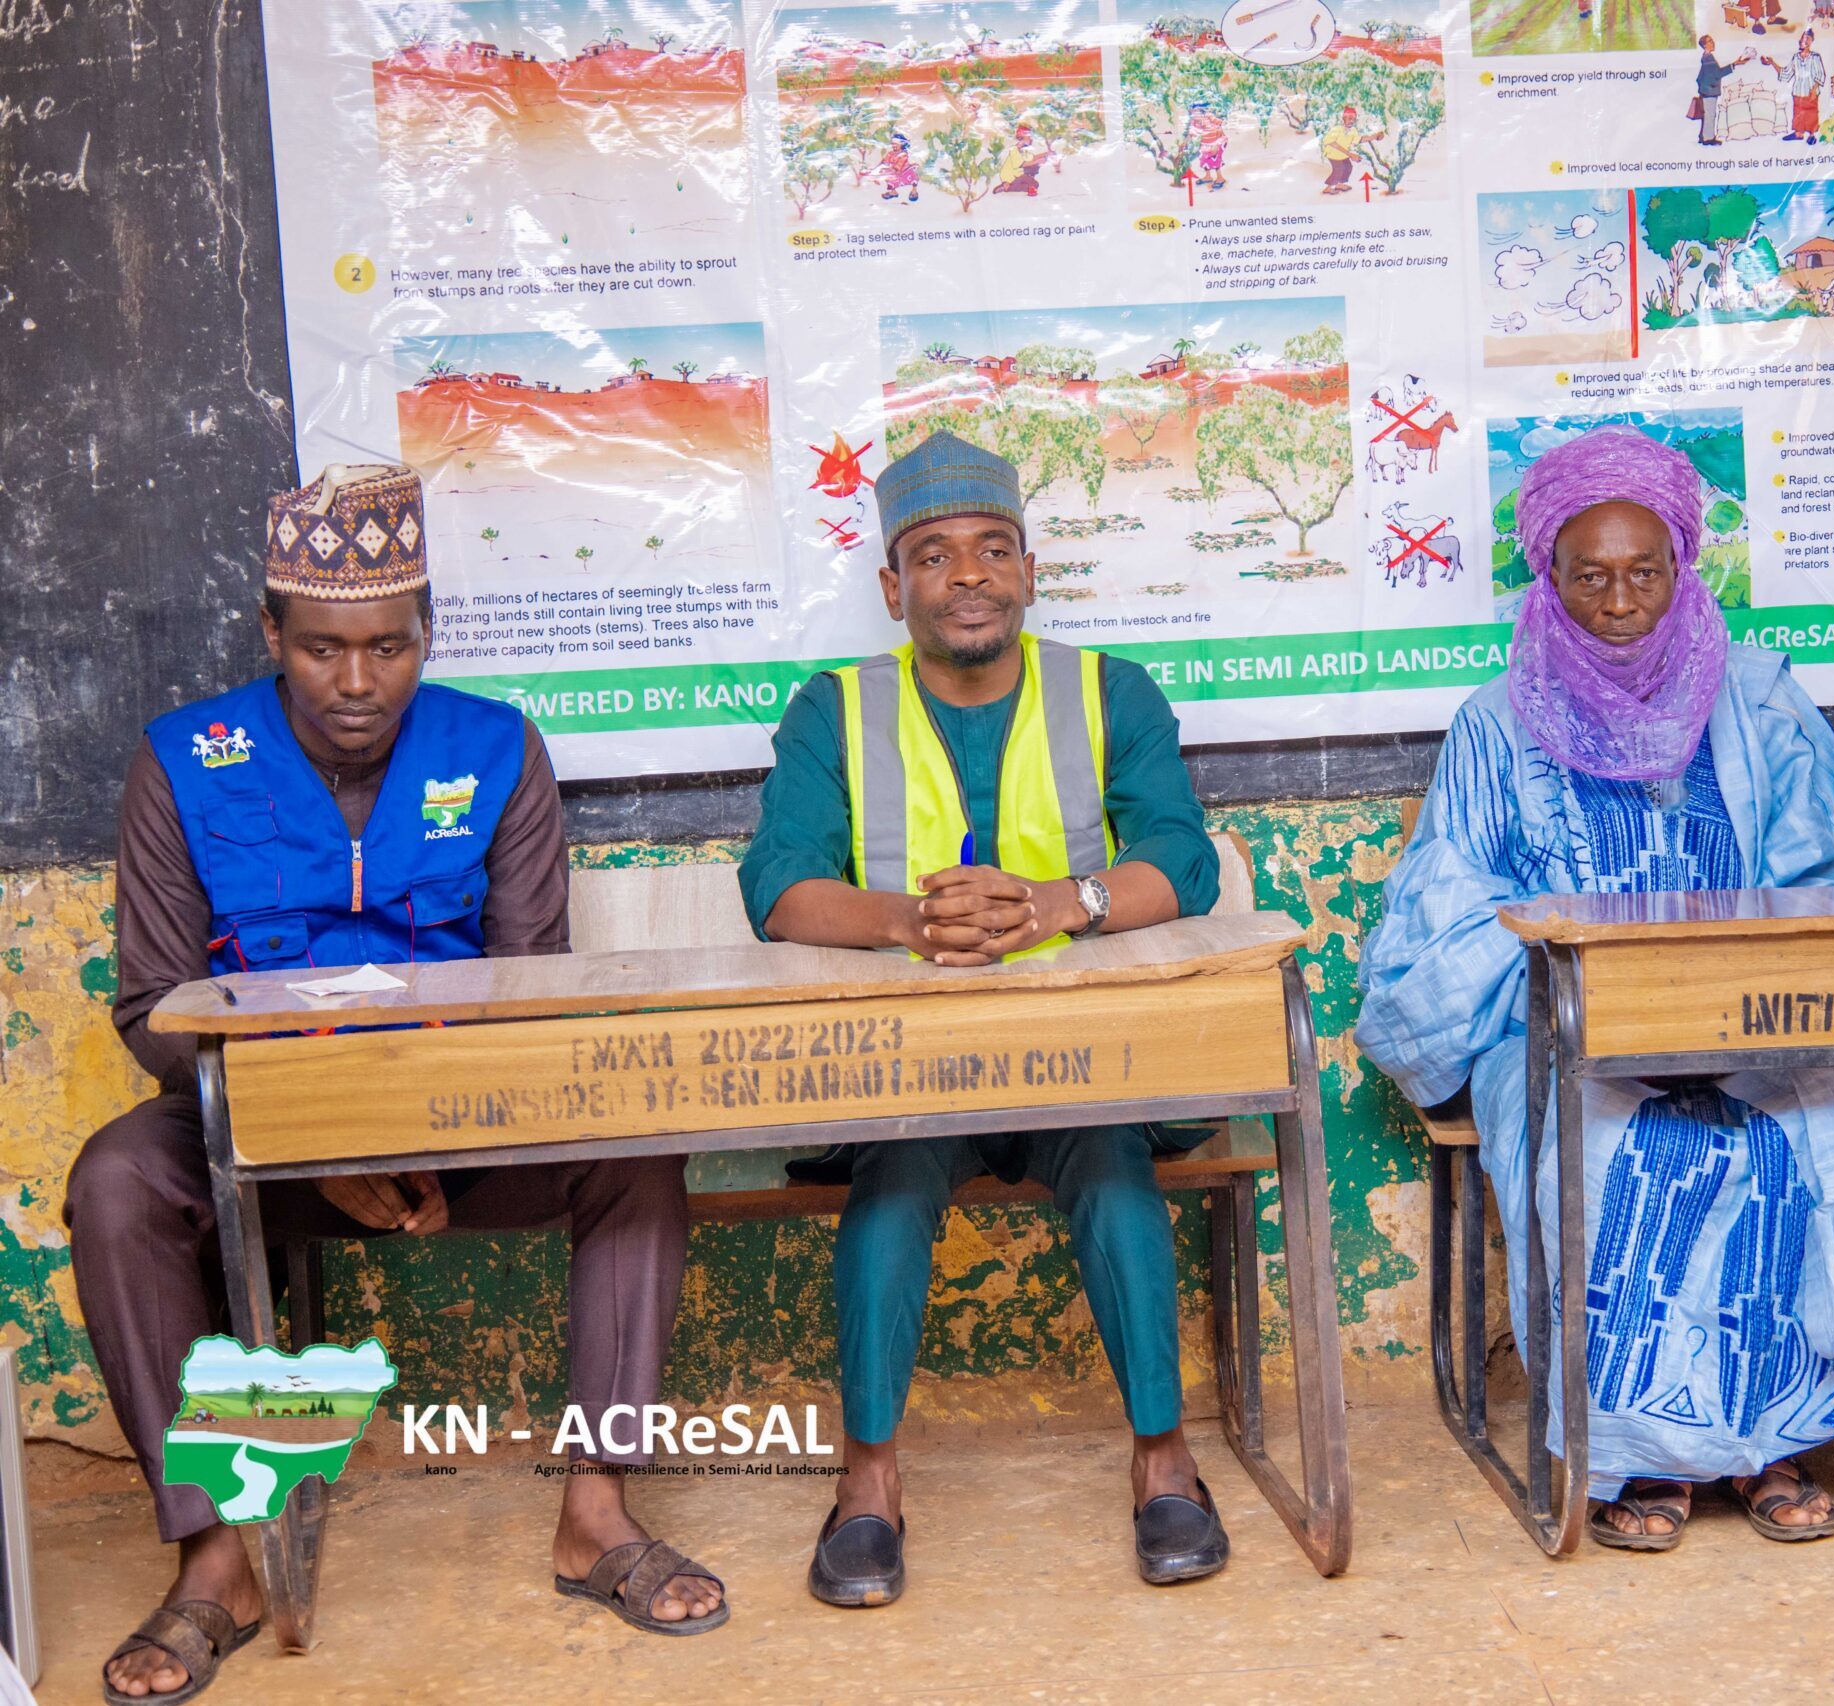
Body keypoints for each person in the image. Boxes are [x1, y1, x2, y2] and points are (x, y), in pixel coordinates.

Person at [68, 465, 723, 1702]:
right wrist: (318, 1139)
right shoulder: (184, 762)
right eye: (322, 648)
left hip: (465, 1126)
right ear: (272, 634)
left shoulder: (492, 747)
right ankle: (218, 1554)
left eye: (388, 645)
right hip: (250, 1135)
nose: (357, 682)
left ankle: (596, 1508)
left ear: (426, 633)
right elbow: (153, 1003)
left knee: (636, 1143)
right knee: (113, 1178)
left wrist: (431, 1123)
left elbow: (531, 984)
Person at [1357, 428, 1834, 1552]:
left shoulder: (1753, 697)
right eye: (1590, 574)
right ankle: (1633, 1451)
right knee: (1625, 1157)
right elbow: (1444, 914)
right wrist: (1569, 964)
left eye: (1644, 571)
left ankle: (1768, 1441)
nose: (1619, 600)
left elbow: (1824, 875)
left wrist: (1731, 969)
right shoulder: (1495, 720)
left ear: (1684, 565)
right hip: (1558, 1027)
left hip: (1749, 1012)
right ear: (1547, 577)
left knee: (1815, 1135)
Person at [738, 431, 1229, 1602]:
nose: (968, 574)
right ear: (892, 585)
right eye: (936, 553)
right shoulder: (832, 707)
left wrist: (1064, 902)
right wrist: (914, 919)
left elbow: (1184, 861)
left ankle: (1165, 1461)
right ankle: (868, 1482)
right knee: (895, 1187)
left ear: (1027, 570)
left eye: (993, 548)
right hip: (909, 1067)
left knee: (1113, 1166)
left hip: (1077, 1059)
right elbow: (778, 887)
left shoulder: (1110, 689)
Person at [1693, 33, 1753, 146]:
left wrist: (1702, 86)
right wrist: (1735, 64)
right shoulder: (1708, 58)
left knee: (1708, 114)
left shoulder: (1706, 57)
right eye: (1710, 41)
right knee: (1710, 114)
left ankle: (1705, 136)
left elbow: (1700, 77)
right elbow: (1717, 73)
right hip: (1710, 91)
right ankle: (1708, 139)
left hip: (1707, 90)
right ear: (1705, 45)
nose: (1713, 43)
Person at [1770, 29, 1825, 142]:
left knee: (1811, 113)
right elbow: (1786, 74)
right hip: (1798, 91)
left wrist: (1814, 90)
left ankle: (1812, 135)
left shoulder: (1815, 57)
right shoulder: (1796, 57)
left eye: (1807, 39)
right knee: (1798, 113)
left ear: (1811, 41)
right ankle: (1798, 134)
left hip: (1810, 91)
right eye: (1802, 39)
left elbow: (1820, 74)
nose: (1803, 41)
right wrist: (1772, 63)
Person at [1318, 104, 1382, 194]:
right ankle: (1329, 187)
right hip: (1333, 154)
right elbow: (1331, 142)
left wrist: (1373, 137)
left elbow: (1359, 139)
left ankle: (1338, 184)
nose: (1351, 121)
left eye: (1353, 119)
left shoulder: (1353, 131)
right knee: (1339, 169)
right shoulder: (1337, 129)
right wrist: (1350, 155)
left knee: (1348, 168)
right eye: (1349, 118)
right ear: (1344, 119)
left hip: (1343, 155)